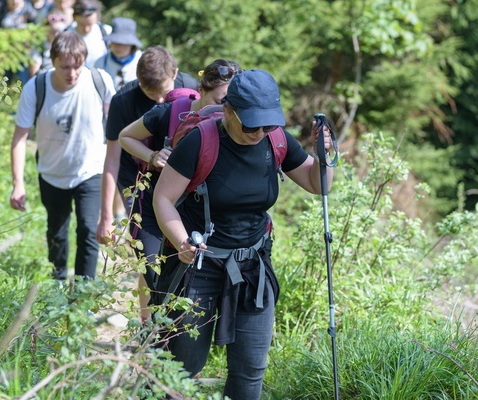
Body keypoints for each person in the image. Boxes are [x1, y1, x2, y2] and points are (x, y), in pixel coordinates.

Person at [152, 69, 335, 400]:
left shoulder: (275, 139)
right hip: (199, 265)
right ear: (228, 110)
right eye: (251, 124)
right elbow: (162, 199)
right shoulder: (200, 142)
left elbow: (315, 183)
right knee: (180, 369)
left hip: (253, 267)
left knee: (250, 371)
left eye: (266, 124)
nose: (259, 132)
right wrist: (181, 240)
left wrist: (326, 159)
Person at [117, 59, 241, 321]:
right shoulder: (170, 112)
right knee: (151, 269)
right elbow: (125, 136)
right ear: (202, 91)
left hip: (187, 209)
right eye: (221, 100)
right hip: (151, 203)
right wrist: (152, 156)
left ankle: (168, 333)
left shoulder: (228, 124)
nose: (226, 108)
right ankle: (147, 330)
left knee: (178, 273)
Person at [95, 46, 199, 305]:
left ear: (175, 73)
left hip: (179, 182)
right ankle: (146, 322)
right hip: (137, 183)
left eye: (163, 90)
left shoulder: (192, 89)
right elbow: (112, 159)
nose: (160, 100)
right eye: (149, 93)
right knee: (148, 258)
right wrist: (106, 216)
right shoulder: (124, 100)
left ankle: (165, 322)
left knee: (178, 251)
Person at [10, 31, 116, 281]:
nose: (72, 73)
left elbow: (115, 131)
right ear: (53, 61)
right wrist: (18, 184)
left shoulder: (100, 81)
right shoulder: (36, 87)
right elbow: (19, 138)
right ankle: (57, 287)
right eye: (65, 67)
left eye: (77, 66)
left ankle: (82, 297)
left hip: (90, 171)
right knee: (56, 232)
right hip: (51, 172)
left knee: (88, 232)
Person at [0, 0, 38, 85]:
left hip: (23, 55)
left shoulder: (30, 12)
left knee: (23, 82)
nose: (15, 1)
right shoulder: (0, 11)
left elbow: (35, 36)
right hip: (3, 54)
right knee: (1, 84)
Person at [93, 17, 144, 90]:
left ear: (132, 45)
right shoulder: (100, 63)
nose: (117, 47)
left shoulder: (142, 61)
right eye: (114, 42)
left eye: (122, 43)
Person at [66, 0, 111, 69]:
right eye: (81, 25)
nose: (86, 29)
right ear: (74, 18)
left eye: (90, 25)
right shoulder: (65, 34)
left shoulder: (106, 31)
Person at [29, 10, 70, 77]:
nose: (56, 35)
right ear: (46, 31)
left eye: (60, 31)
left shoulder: (69, 47)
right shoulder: (39, 48)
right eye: (53, 32)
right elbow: (34, 74)